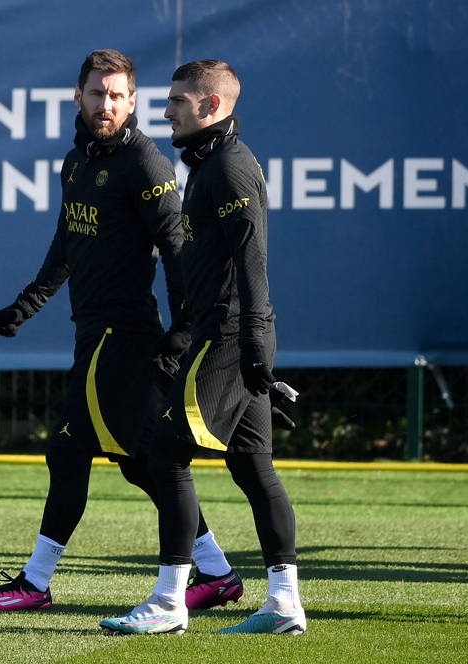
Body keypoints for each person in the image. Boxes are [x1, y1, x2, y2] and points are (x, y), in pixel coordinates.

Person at [0, 50, 244, 613]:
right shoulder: (77, 161)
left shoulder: (146, 164)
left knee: (68, 453)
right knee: (143, 464)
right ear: (79, 96)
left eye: (118, 95)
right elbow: (68, 240)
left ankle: (34, 584)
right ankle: (217, 573)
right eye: (98, 93)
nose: (106, 104)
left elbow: (175, 251)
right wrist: (28, 303)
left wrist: (183, 329)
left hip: (124, 336)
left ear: (133, 101)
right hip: (93, 333)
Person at [100, 60, 306, 636]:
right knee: (252, 465)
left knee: (163, 455)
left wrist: (255, 343)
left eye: (178, 101)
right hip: (223, 333)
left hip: (232, 336)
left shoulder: (231, 168)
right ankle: (284, 602)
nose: (164, 110)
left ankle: (170, 602)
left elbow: (253, 260)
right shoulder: (211, 162)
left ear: (212, 106)